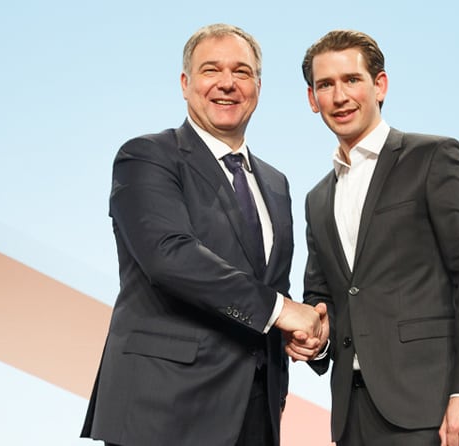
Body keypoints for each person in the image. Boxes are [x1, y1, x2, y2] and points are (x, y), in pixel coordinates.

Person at [81, 23, 326, 446]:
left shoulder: (275, 183)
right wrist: (281, 310)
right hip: (163, 409)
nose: (227, 83)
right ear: (185, 83)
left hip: (255, 413)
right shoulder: (147, 156)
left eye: (242, 72)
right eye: (211, 70)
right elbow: (169, 256)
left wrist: (309, 336)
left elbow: (269, 287)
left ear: (258, 87)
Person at [288, 30, 459, 446]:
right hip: (350, 414)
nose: (339, 96)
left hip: (429, 408)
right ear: (312, 99)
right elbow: (323, 296)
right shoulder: (318, 198)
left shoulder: (434, 158)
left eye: (352, 79)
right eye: (325, 85)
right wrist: (315, 337)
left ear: (380, 85)